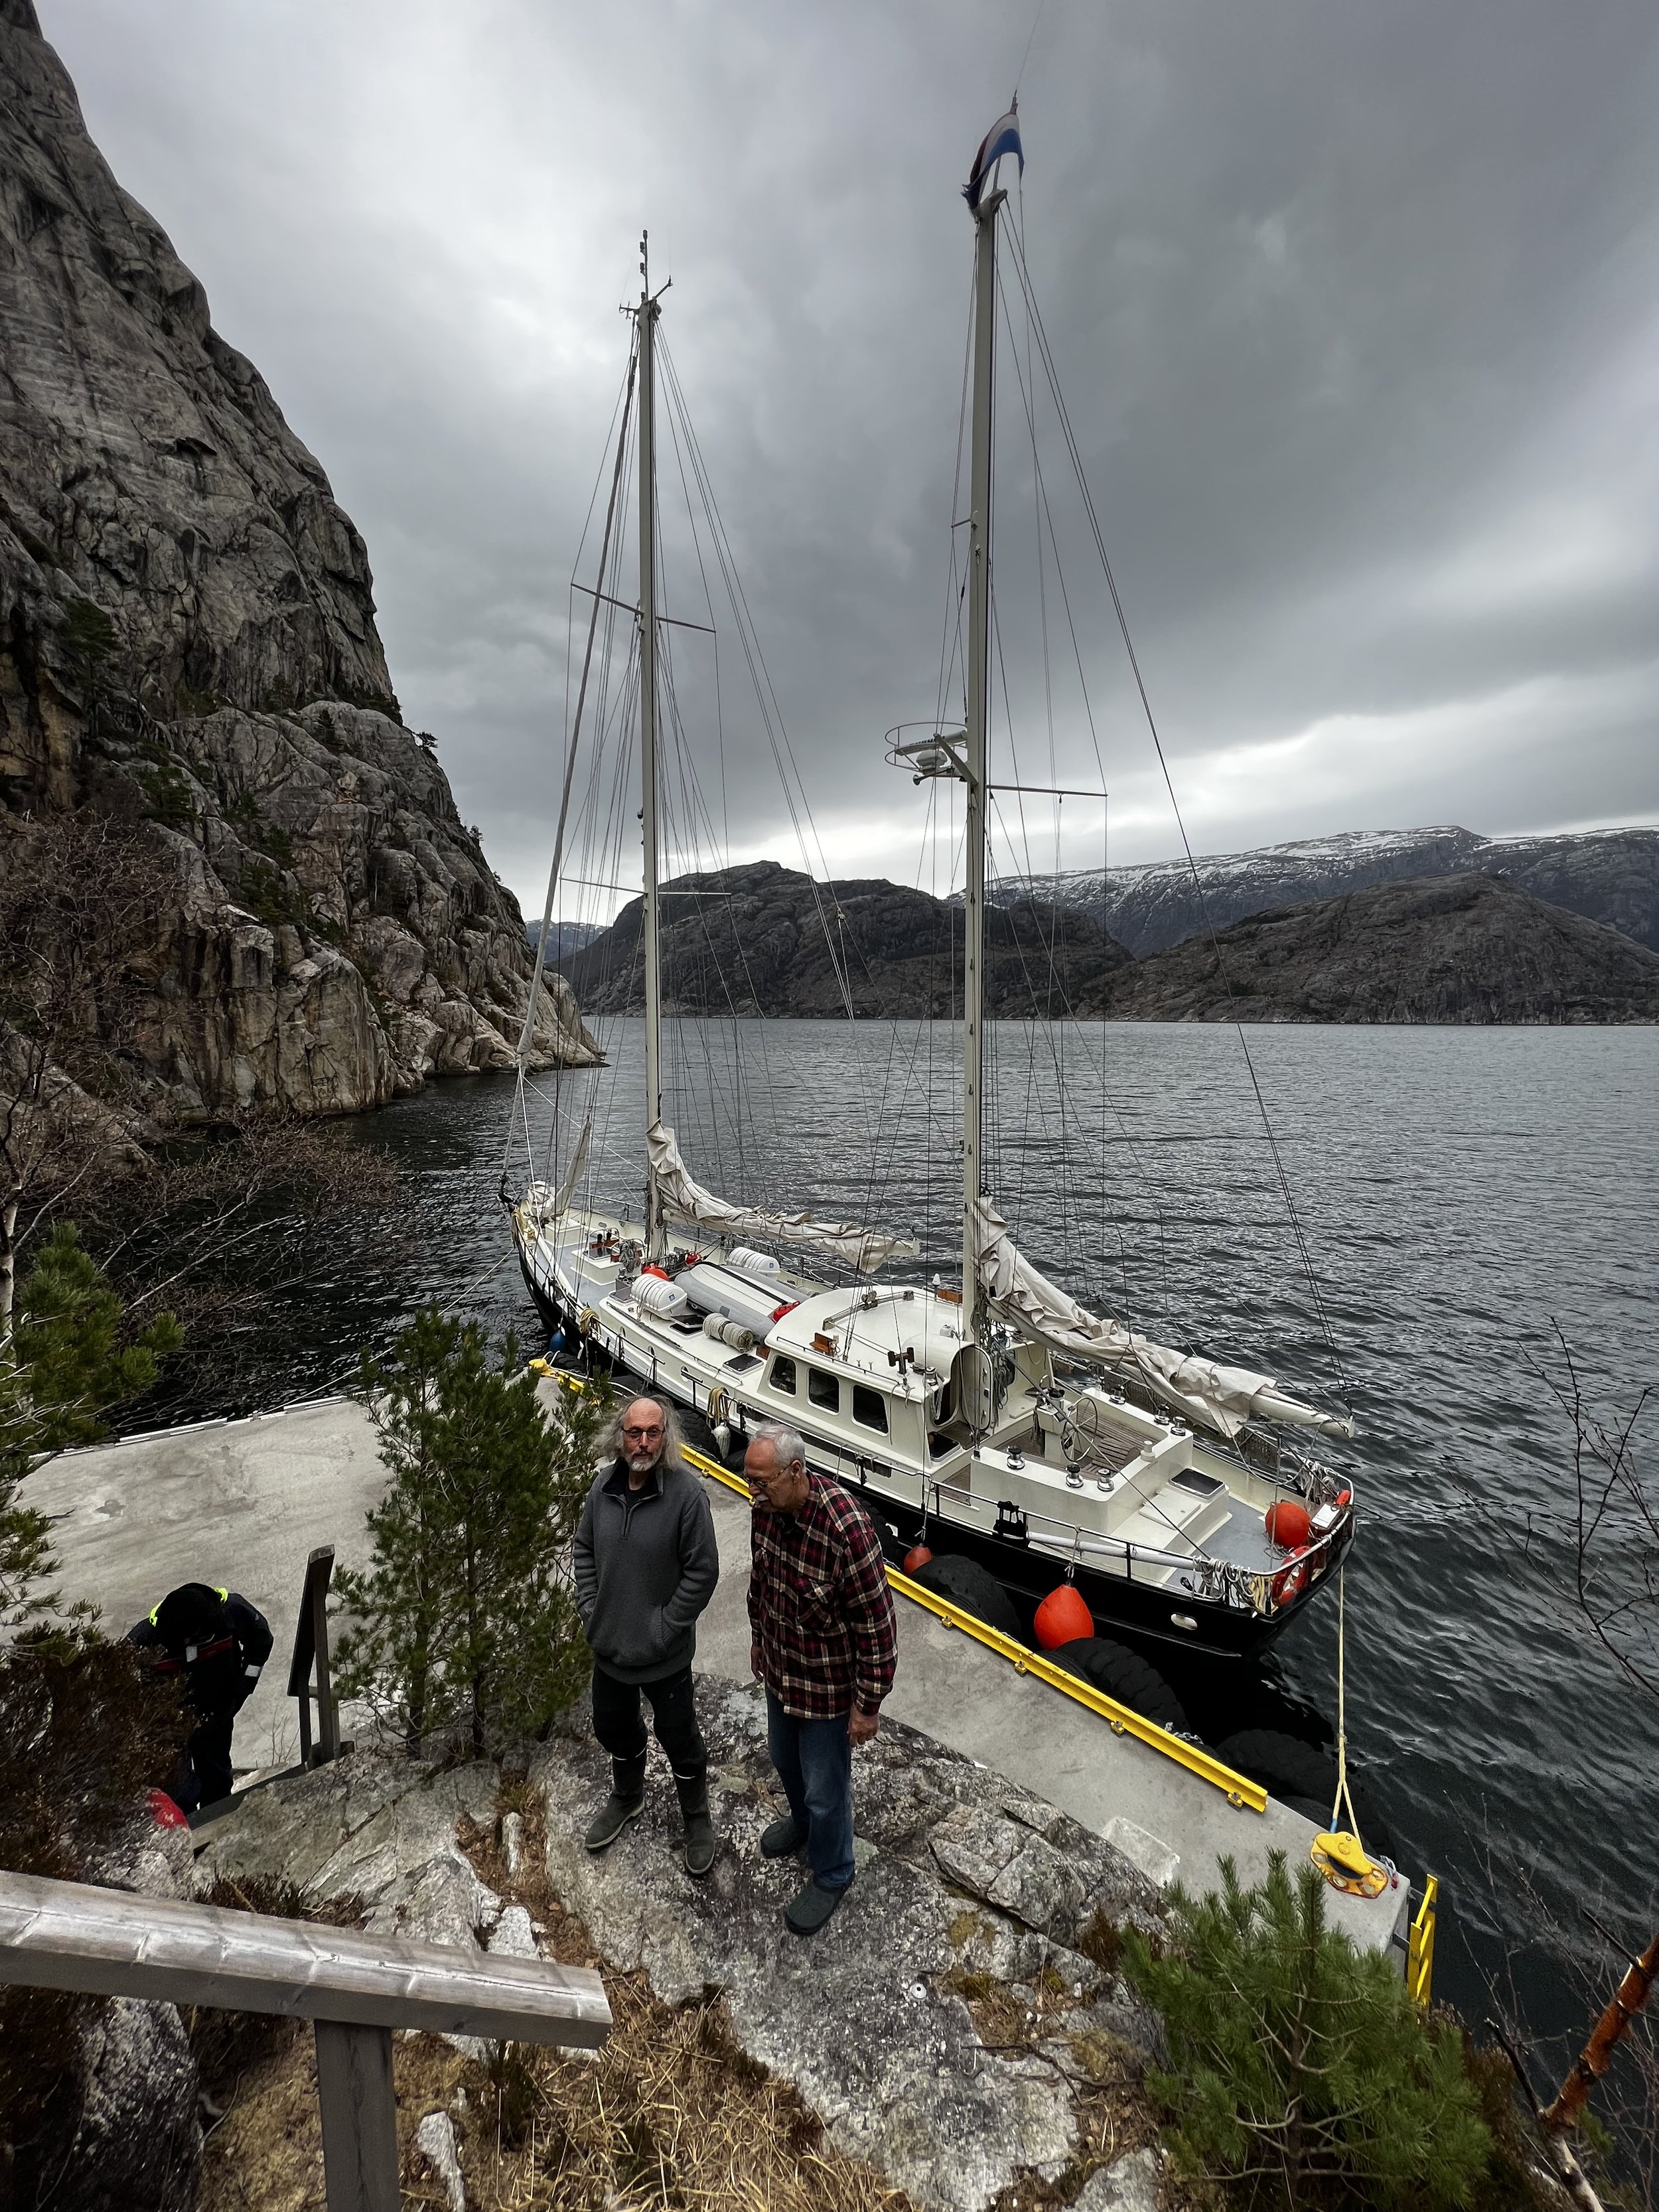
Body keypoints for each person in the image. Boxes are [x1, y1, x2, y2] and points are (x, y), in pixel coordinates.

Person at [745, 1420, 898, 1937]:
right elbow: (760, 1581)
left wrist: (868, 1704)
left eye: (762, 1480)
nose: (753, 1490)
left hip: (828, 1692)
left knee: (825, 1788)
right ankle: (804, 1827)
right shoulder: (765, 1511)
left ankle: (833, 1871)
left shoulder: (846, 1528)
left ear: (795, 1471)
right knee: (784, 1761)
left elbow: (877, 1624)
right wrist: (757, 1638)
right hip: (782, 1673)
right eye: (750, 1479)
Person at [573, 1394, 722, 1875]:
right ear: (621, 1435)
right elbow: (583, 1549)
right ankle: (627, 1795)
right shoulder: (603, 1487)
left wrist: (665, 1625)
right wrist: (590, 1609)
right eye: (634, 1432)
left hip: (665, 1655)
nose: (642, 1442)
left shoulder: (686, 1495)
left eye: (652, 1432)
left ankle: (697, 1819)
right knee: (613, 1728)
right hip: (610, 1647)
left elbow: (703, 1572)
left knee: (680, 1738)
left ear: (666, 1435)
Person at [127, 1582, 273, 1814]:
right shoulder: (144, 1638)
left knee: (217, 1780)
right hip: (170, 1727)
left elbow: (262, 1641)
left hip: (217, 1712)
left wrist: (242, 1688)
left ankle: (218, 1832)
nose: (185, 1644)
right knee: (177, 1790)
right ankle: (188, 1838)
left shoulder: (231, 1613)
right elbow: (125, 1689)